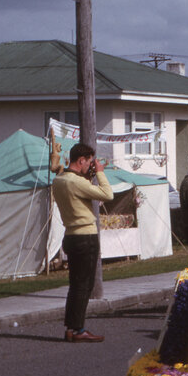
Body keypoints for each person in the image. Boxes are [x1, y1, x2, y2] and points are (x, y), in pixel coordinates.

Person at [52, 143, 113, 343]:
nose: (90, 165)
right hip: (85, 236)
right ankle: (78, 329)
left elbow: (79, 191)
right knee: (84, 286)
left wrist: (88, 175)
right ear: (81, 160)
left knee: (75, 284)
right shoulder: (76, 182)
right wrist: (100, 173)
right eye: (89, 162)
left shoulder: (59, 180)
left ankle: (72, 327)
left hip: (70, 235)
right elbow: (107, 194)